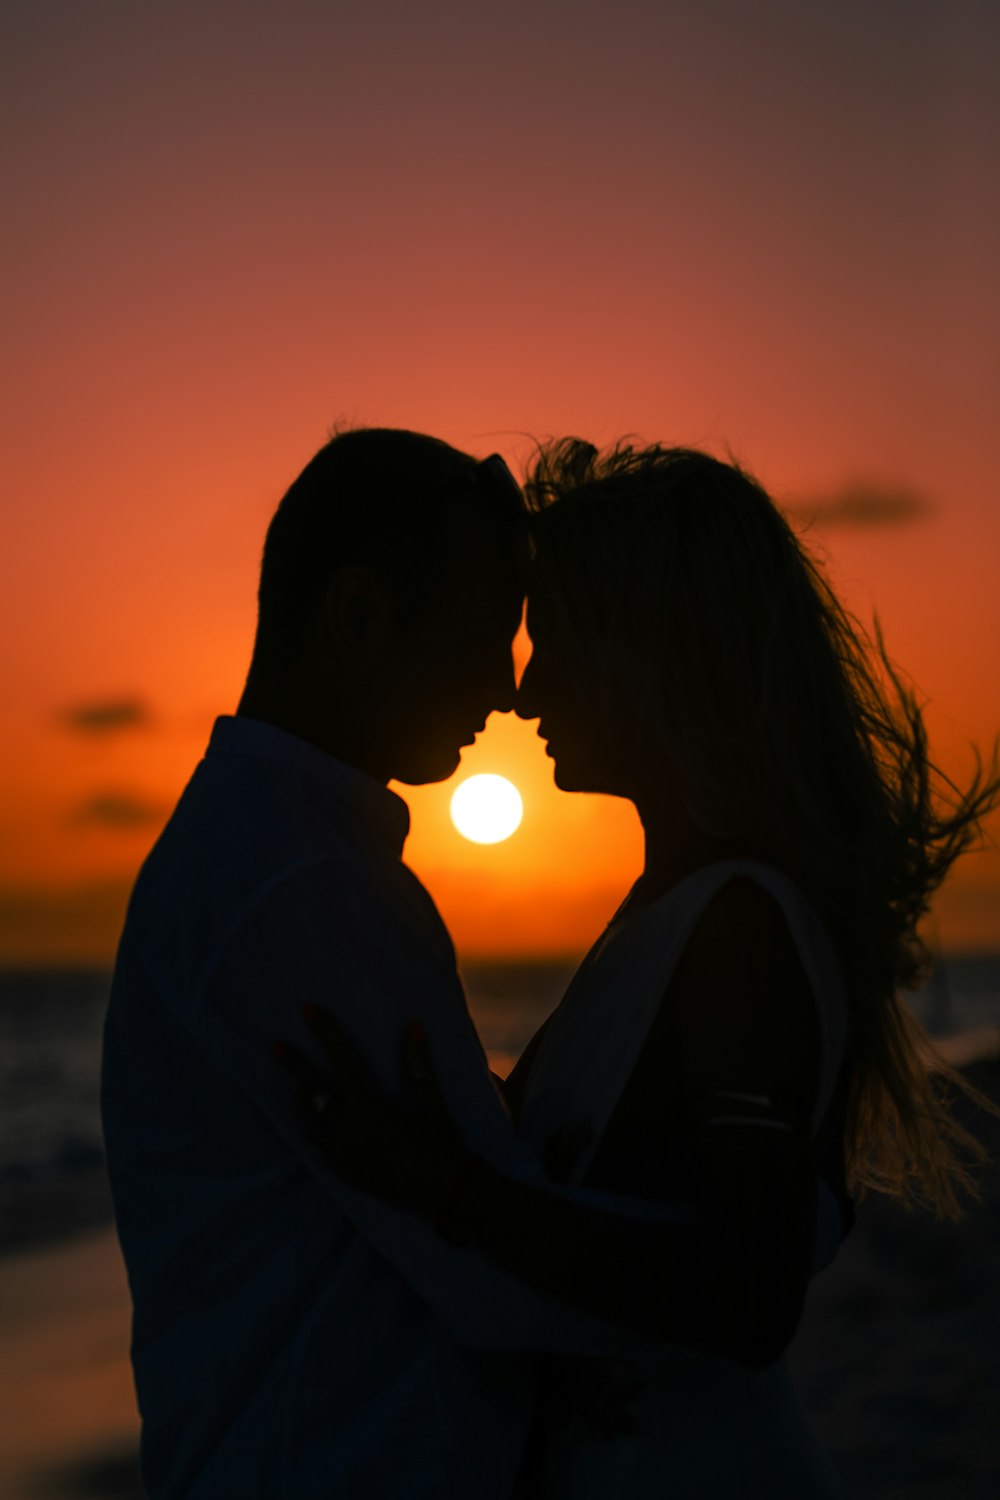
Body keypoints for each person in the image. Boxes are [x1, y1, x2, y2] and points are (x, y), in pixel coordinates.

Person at [286, 439, 999, 1497]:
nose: (523, 691)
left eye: (558, 641)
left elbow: (747, 1299)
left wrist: (440, 1183)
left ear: (651, 657)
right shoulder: (672, 914)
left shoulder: (740, 928)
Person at [102, 426, 739, 1500]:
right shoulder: (294, 881)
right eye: (482, 635)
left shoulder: (278, 852)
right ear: (357, 614)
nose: (506, 690)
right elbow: (491, 1276)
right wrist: (733, 1277)